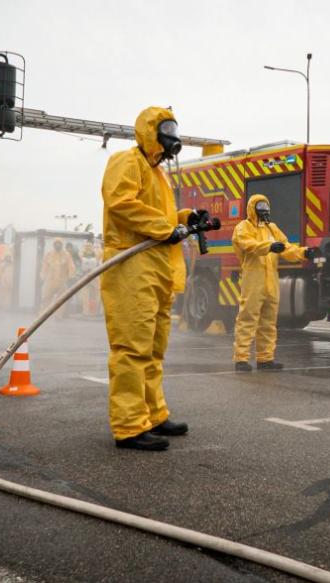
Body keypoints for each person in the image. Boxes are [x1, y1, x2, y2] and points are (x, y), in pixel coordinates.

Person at [100, 105, 209, 451]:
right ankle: (130, 426)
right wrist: (167, 228)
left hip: (157, 269)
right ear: (152, 134)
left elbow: (162, 217)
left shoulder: (159, 173)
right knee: (132, 348)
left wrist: (188, 217)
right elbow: (121, 203)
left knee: (153, 348)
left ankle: (153, 414)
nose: (173, 141)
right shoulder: (126, 162)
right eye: (168, 134)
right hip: (132, 268)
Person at [232, 194, 312, 372]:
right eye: (261, 209)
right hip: (253, 280)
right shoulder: (243, 227)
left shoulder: (272, 228)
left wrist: (304, 252)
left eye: (266, 209)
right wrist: (268, 247)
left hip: (271, 281)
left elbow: (286, 247)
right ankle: (241, 359)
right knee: (248, 319)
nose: (264, 213)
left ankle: (265, 359)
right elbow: (247, 244)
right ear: (253, 209)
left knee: (268, 322)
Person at [40, 238, 75, 311]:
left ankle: (59, 316)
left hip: (62, 281)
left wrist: (71, 276)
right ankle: (43, 314)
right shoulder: (49, 254)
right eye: (56, 243)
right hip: (50, 281)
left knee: (61, 299)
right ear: (54, 244)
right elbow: (44, 266)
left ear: (62, 245)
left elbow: (71, 266)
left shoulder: (66, 255)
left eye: (59, 243)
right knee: (46, 297)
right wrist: (42, 277)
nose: (58, 245)